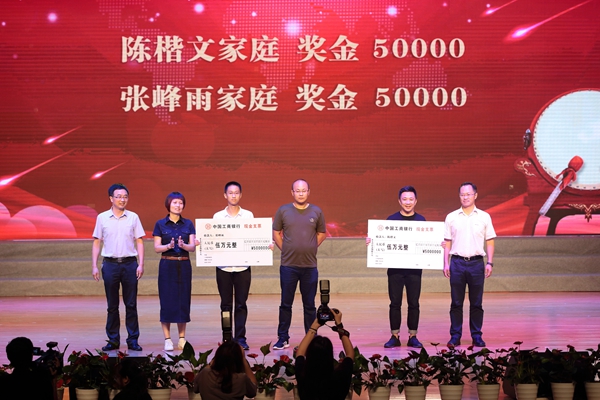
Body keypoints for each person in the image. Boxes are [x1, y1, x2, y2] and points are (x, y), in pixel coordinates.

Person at [366, 185, 425, 349]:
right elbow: (382, 241)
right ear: (399, 201)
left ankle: (413, 336)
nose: (408, 202)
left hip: (414, 270)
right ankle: (395, 335)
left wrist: (437, 244)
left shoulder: (421, 221)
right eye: (405, 199)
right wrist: (372, 242)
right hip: (395, 270)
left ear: (416, 201)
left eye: (411, 199)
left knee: (414, 303)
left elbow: (427, 242)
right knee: (395, 303)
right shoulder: (391, 220)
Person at [272, 179, 327, 350]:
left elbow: (322, 233)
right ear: (292, 192)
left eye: (304, 190)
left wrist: (311, 246)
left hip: (309, 266)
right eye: (297, 190)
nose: (301, 193)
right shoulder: (283, 210)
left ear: (308, 192)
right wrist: (285, 249)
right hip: (288, 266)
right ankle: (283, 337)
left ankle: (310, 338)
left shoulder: (316, 211)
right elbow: (276, 232)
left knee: (309, 305)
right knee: (285, 304)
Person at [92, 183, 145, 352]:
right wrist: (94, 265)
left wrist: (141, 264)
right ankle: (113, 340)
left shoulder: (133, 217)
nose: (122, 200)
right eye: (119, 196)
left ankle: (133, 339)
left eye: (125, 197)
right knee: (112, 305)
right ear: (111, 198)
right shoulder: (102, 218)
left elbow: (139, 241)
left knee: (131, 304)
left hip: (130, 264)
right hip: (110, 264)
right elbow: (97, 242)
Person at [443, 182, 496, 348]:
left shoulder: (484, 217)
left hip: (476, 264)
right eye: (462, 194)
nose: (465, 197)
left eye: (468, 194)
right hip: (457, 263)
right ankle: (455, 336)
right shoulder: (451, 217)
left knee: (476, 303)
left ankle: (476, 335)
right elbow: (447, 241)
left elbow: (490, 241)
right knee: (456, 303)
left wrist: (490, 262)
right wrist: (445, 263)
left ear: (475, 195)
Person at [213, 181, 254, 351]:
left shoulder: (248, 216)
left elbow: (254, 237)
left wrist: (265, 245)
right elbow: (213, 238)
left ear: (241, 195)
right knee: (225, 305)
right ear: (225, 195)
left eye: (236, 193)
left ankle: (241, 338)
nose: (233, 195)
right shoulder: (217, 217)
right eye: (230, 193)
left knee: (241, 304)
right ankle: (227, 337)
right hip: (223, 267)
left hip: (243, 267)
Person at [153, 192, 196, 352]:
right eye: (175, 203)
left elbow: (192, 246)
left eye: (180, 203)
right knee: (167, 301)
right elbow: (157, 248)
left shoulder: (188, 224)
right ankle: (167, 339)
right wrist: (168, 246)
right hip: (167, 265)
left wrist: (184, 246)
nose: (178, 205)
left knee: (183, 301)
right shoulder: (160, 224)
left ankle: (182, 338)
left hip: (184, 265)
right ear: (168, 205)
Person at [295, 309, 354, 400]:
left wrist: (314, 327)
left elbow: (300, 353)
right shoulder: (340, 376)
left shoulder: (303, 375)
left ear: (310, 354)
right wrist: (339, 325)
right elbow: (350, 354)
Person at [193, 340, 257, 400]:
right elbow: (253, 392)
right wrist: (243, 358)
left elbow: (195, 389)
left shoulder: (205, 374)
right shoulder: (241, 378)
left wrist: (217, 356)